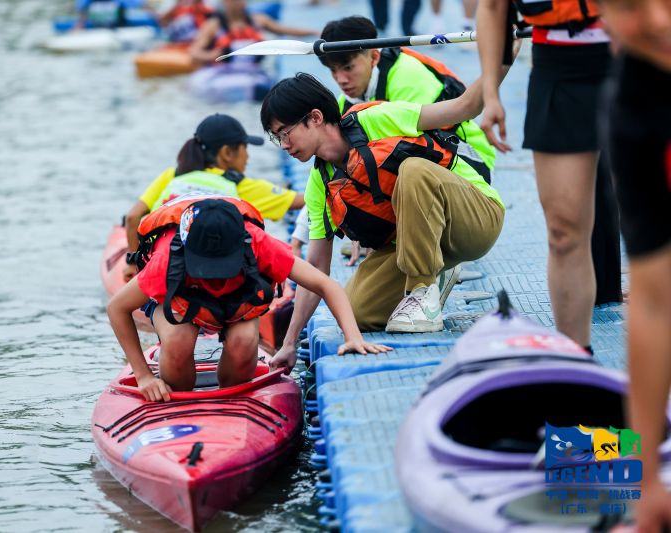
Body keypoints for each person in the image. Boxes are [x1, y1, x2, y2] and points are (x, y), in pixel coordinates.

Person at [260, 72, 510, 370]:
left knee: (414, 170)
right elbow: (315, 269)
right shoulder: (319, 184)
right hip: (413, 241)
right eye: (277, 138)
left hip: (475, 219)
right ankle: (434, 274)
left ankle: (421, 290)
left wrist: (502, 57)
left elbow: (464, 107)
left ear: (314, 117)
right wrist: (288, 344)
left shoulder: (377, 119)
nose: (284, 144)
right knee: (356, 311)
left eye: (284, 132)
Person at [107, 196, 392, 400]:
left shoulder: (259, 244)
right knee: (179, 340)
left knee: (244, 341)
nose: (214, 276)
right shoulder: (167, 259)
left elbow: (326, 284)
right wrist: (144, 375)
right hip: (182, 303)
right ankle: (178, 397)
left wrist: (352, 336)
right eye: (207, 267)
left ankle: (230, 398)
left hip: (236, 304)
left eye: (222, 266)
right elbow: (117, 308)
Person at [476, 0, 616, 353]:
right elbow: (493, 7)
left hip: (642, 56)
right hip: (559, 65)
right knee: (564, 231)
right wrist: (491, 93)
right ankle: (576, 362)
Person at [318, 16, 498, 265]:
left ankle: (431, 254)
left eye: (347, 67)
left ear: (373, 56)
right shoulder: (345, 102)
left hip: (468, 163)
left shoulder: (408, 77)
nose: (341, 79)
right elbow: (329, 173)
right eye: (333, 70)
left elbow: (414, 152)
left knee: (400, 160)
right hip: (421, 168)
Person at [598, 0, 671, 529]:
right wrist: (646, 488)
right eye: (628, 5)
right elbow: (653, 299)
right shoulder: (635, 104)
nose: (658, 21)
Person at [122, 114, 304, 282]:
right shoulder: (241, 186)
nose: (247, 156)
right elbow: (300, 201)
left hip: (159, 263)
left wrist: (132, 262)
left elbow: (132, 218)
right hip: (205, 266)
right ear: (226, 153)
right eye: (244, 148)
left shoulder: (172, 175)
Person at [186, 0, 317, 102]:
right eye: (231, 1)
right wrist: (213, 55)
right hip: (222, 74)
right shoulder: (213, 25)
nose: (236, 4)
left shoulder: (257, 20)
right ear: (225, 2)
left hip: (252, 73)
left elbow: (286, 30)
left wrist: (314, 32)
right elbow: (194, 52)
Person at [74, 0, 140, 29]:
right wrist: (78, 28)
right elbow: (82, 15)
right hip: (98, 29)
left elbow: (141, 5)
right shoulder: (86, 1)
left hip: (119, 28)